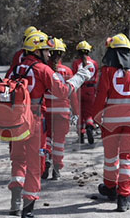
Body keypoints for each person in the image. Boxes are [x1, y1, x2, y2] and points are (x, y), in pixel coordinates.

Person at [6, 31, 92, 218]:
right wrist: (80, 77)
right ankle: (27, 209)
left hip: (15, 119)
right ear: (37, 50)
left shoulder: (15, 69)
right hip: (34, 120)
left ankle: (15, 203)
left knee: (18, 160)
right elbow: (62, 91)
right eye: (45, 50)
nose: (48, 54)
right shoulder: (43, 70)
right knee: (35, 163)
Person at [91, 33, 130, 212]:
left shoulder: (107, 70)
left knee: (111, 158)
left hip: (111, 122)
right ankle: (123, 197)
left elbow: (101, 96)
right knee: (126, 159)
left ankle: (110, 187)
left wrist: (95, 117)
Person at [42, 38, 79, 180]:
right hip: (62, 112)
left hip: (46, 111)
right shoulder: (68, 71)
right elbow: (72, 94)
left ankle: (45, 161)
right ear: (62, 54)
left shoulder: (44, 70)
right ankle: (57, 169)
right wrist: (76, 112)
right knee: (59, 142)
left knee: (47, 139)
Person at [72, 40, 100, 144]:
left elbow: (74, 77)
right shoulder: (95, 63)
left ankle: (81, 134)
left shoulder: (76, 63)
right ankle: (89, 126)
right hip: (90, 90)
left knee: (79, 113)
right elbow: (96, 77)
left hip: (79, 89)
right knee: (89, 113)